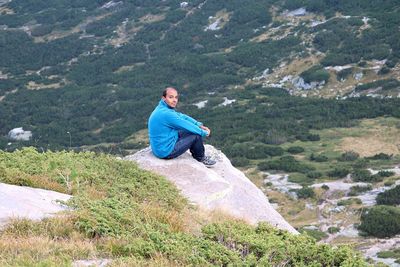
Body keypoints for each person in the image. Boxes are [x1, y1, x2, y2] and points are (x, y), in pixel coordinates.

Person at [148, 87, 216, 166]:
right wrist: (203, 132)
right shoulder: (167, 114)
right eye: (171, 97)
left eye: (176, 97)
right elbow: (185, 124)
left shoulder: (162, 108)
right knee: (196, 135)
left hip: (160, 146)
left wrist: (198, 125)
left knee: (192, 131)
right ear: (164, 98)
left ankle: (197, 153)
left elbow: (182, 116)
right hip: (165, 151)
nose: (174, 100)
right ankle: (201, 158)